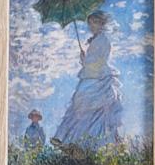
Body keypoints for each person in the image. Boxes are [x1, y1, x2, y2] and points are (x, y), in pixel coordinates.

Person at [53, 12, 123, 148]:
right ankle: (72, 141)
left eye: (94, 23)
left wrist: (85, 60)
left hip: (98, 78)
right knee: (79, 106)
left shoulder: (103, 40)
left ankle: (87, 144)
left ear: (101, 24)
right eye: (90, 23)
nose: (91, 26)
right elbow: (91, 60)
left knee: (94, 109)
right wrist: (84, 58)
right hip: (90, 75)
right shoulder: (96, 40)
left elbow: (99, 60)